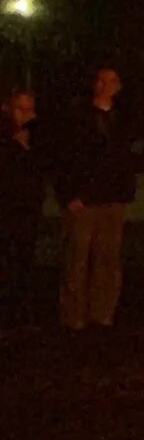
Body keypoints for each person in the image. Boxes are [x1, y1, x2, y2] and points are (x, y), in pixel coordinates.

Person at [51, 61, 136, 330]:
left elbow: (126, 156)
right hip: (83, 198)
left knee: (107, 258)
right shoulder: (76, 116)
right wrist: (68, 193)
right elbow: (63, 156)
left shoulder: (122, 119)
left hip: (112, 197)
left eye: (111, 81)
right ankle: (73, 315)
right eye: (101, 80)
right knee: (77, 258)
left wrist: (125, 190)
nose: (105, 86)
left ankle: (102, 312)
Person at [1, 88, 46, 322]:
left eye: (31, 109)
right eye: (22, 109)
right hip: (6, 207)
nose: (27, 114)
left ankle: (23, 308)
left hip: (28, 208)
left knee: (25, 258)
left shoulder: (37, 137)